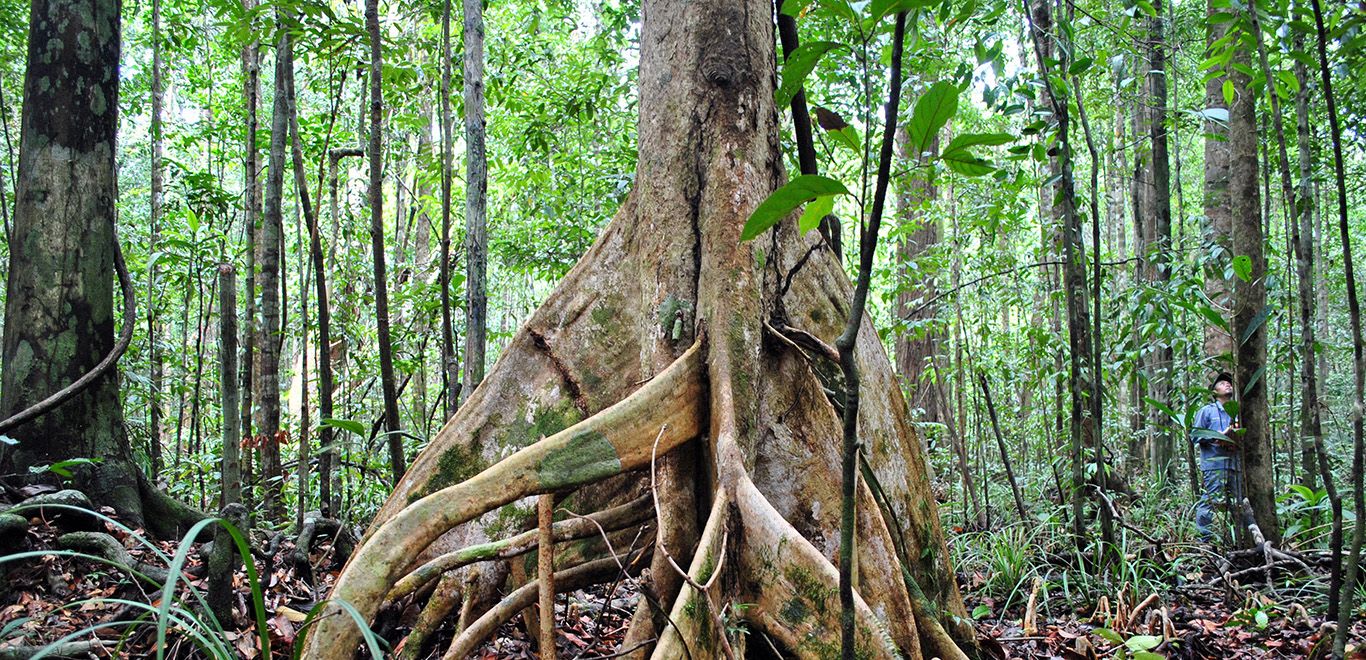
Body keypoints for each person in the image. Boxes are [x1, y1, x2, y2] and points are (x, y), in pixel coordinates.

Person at [1192, 371, 1242, 541]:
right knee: (1209, 502)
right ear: (1214, 392)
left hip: (1235, 464)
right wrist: (1217, 436)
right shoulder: (1207, 411)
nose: (1227, 384)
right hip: (1214, 465)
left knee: (1239, 503)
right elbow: (1195, 435)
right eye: (1221, 383)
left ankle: (1236, 539)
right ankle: (1203, 541)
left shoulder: (1238, 411)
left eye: (1229, 382)